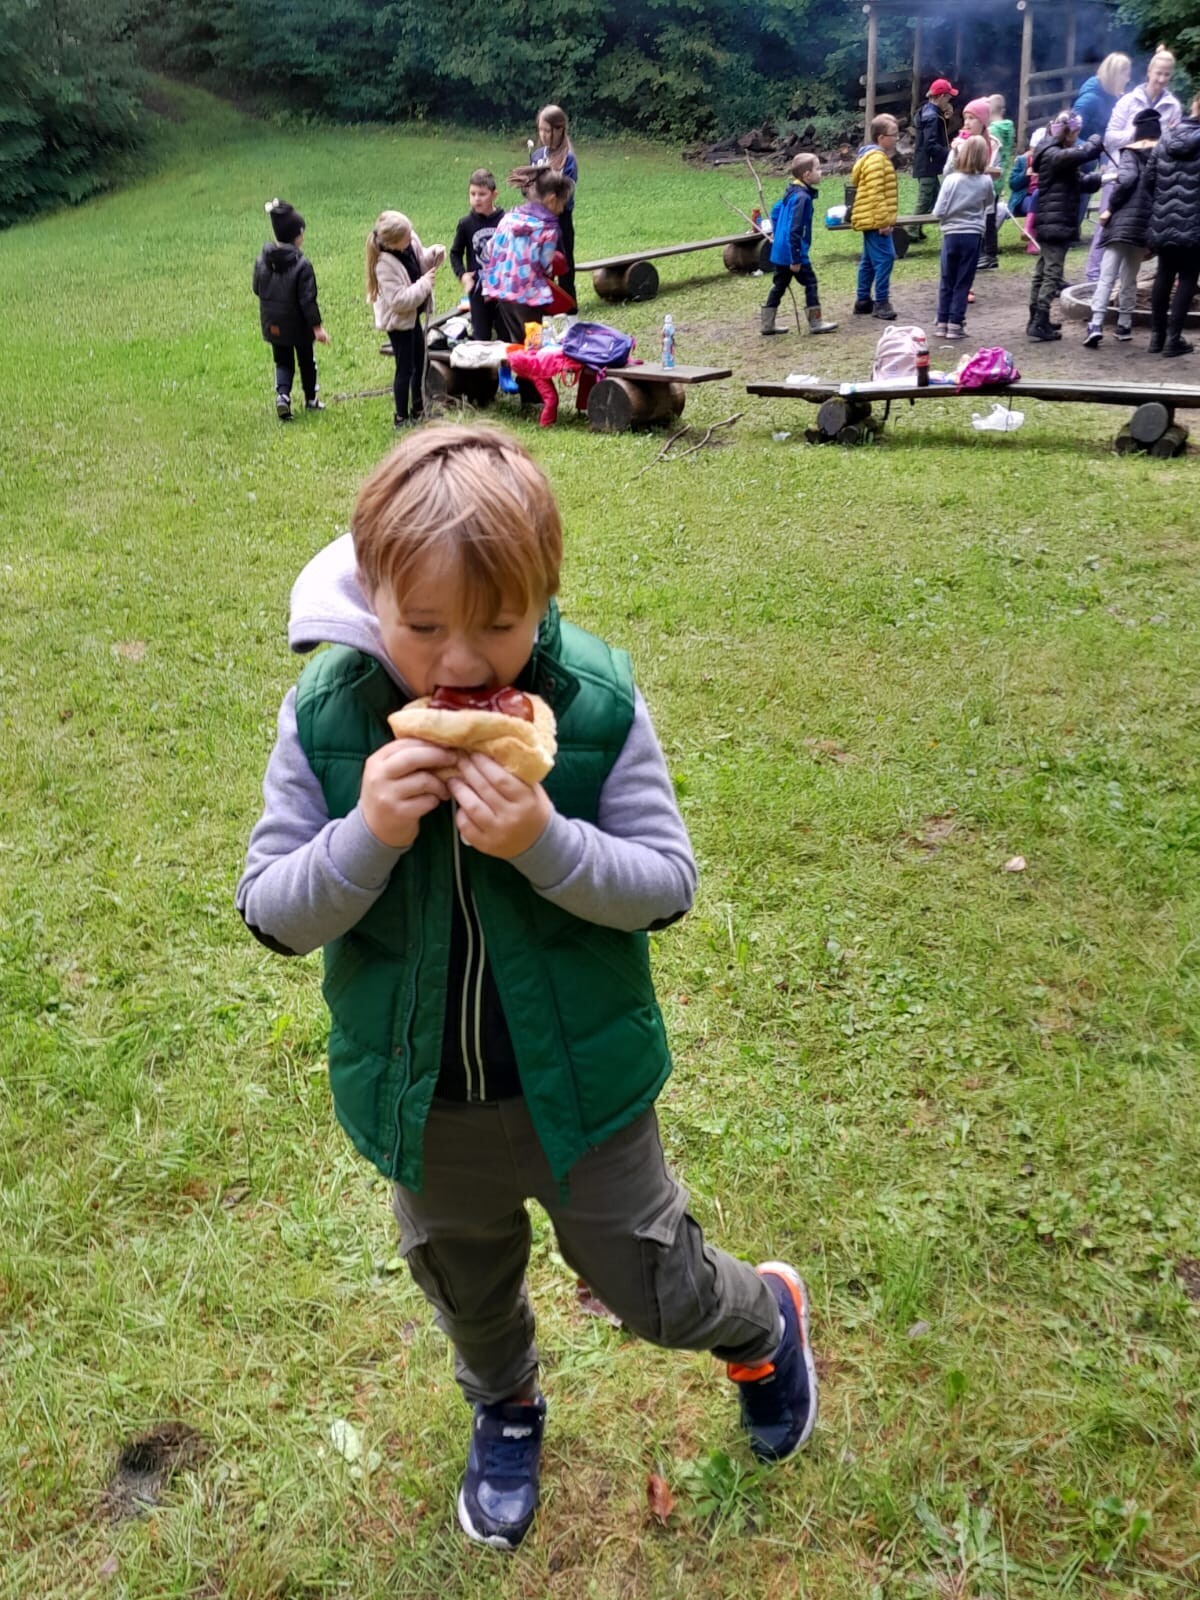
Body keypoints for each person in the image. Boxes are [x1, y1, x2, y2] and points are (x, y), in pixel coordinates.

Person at [235, 424, 820, 1553]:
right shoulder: (326, 714)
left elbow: (666, 885)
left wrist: (546, 841)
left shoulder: (591, 703)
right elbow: (271, 912)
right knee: (466, 1284)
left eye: (498, 625)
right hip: (424, 1102)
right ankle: (505, 1407)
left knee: (654, 1284)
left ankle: (765, 1324)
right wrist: (367, 833)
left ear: (543, 597)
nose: (460, 664)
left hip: (582, 1094)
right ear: (371, 593)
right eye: (422, 627)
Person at [1086, 49, 1182, 280]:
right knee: (1107, 225)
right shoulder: (1128, 101)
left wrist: (1165, 138)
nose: (1161, 79)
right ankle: (1093, 277)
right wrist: (1138, 133)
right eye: (1158, 73)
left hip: (1152, 178)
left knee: (1139, 230)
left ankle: (1123, 282)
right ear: (1149, 71)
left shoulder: (1173, 106)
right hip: (1121, 172)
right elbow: (1110, 138)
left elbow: (1174, 146)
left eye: (1166, 74)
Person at [1083, 107, 1160, 348]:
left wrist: (1110, 209)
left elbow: (1126, 181)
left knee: (1107, 275)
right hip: (1143, 225)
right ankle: (1124, 324)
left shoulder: (1129, 152)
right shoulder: (1162, 155)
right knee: (1130, 277)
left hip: (1121, 223)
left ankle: (1096, 323)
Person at [365, 211, 445, 430]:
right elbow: (399, 301)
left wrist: (433, 254)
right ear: (392, 243)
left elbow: (420, 259)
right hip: (399, 323)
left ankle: (418, 408)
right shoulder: (384, 265)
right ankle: (401, 417)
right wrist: (424, 284)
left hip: (412, 317)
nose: (412, 238)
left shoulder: (409, 240)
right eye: (407, 238)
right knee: (405, 368)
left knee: (420, 360)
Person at [252, 199, 330, 422]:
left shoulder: (262, 260)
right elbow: (308, 300)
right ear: (297, 236)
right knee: (306, 361)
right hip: (299, 327)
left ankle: (283, 397)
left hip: (274, 324)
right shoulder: (302, 265)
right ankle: (311, 399)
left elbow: (256, 288)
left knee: (283, 361)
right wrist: (317, 328)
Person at [1027, 111, 1103, 341]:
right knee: (1052, 273)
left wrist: (1103, 178)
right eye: (1077, 132)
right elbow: (1084, 153)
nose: (1078, 137)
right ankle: (1039, 322)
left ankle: (1035, 318)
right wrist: (1096, 140)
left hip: (1052, 220)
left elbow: (1078, 182)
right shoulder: (1054, 154)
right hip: (1055, 222)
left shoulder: (1052, 152)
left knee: (1042, 271)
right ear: (1069, 132)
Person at [480, 168, 575, 344]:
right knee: (533, 343)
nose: (562, 209)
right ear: (552, 199)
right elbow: (546, 264)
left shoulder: (508, 218)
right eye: (562, 203)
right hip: (527, 295)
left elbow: (489, 248)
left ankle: (517, 361)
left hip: (502, 290)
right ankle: (532, 361)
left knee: (517, 340)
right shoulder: (547, 228)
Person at [1146, 93, 1200, 357]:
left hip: (1163, 218)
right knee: (1188, 276)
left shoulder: (1166, 137)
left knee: (1164, 273)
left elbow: (1149, 178)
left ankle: (1156, 338)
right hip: (1194, 222)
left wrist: (1162, 203)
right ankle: (1173, 340)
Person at [760, 153, 838, 336]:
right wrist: (795, 258)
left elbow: (775, 212)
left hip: (781, 251)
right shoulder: (803, 197)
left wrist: (778, 235)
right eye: (818, 169)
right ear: (806, 175)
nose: (821, 172)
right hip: (793, 253)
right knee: (810, 282)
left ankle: (767, 324)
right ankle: (816, 322)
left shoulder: (791, 191)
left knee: (779, 286)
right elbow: (795, 229)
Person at [932, 135, 994, 339]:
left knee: (946, 279)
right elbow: (989, 205)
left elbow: (938, 211)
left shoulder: (951, 180)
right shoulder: (986, 181)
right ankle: (955, 324)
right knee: (963, 281)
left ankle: (942, 322)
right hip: (972, 236)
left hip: (951, 235)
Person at [1072, 52, 1133, 225]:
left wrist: (1104, 159)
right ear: (1114, 74)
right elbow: (1069, 131)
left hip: (1089, 161)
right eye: (1125, 75)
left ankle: (1074, 232)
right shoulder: (1090, 99)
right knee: (1071, 206)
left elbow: (1103, 132)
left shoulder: (1113, 98)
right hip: (1076, 161)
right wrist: (1092, 151)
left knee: (1082, 204)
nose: (1128, 79)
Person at [850, 114, 900, 320]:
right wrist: (883, 222)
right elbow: (876, 193)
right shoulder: (877, 160)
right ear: (881, 138)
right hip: (875, 219)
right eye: (893, 135)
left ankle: (863, 301)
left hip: (870, 217)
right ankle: (881, 302)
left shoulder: (873, 158)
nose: (896, 138)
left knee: (869, 261)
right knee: (886, 258)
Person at [947, 98, 1002, 269]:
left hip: (984, 190)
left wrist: (986, 170)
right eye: (965, 118)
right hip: (963, 192)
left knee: (988, 219)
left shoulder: (992, 143)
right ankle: (970, 255)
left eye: (972, 118)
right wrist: (955, 153)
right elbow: (947, 171)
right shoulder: (959, 143)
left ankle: (989, 254)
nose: (967, 123)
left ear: (983, 121)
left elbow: (996, 168)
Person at [450, 170, 505, 341]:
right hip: (478, 291)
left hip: (503, 289)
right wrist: (463, 275)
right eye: (472, 194)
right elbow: (455, 253)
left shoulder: (505, 221)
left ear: (494, 195)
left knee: (505, 336)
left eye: (482, 194)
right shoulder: (466, 224)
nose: (477, 199)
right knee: (481, 337)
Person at [531, 105, 578, 302]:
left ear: (560, 130)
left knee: (564, 266)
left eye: (547, 130)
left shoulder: (568, 159)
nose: (543, 135)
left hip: (560, 220)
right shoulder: (536, 156)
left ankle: (570, 310)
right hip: (539, 221)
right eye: (540, 130)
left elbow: (566, 192)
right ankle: (546, 308)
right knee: (542, 266)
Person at [911, 78, 957, 240]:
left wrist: (946, 118)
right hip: (927, 165)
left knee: (936, 197)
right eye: (948, 97)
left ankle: (916, 229)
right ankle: (910, 230)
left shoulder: (928, 111)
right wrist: (949, 153)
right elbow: (930, 144)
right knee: (925, 199)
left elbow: (937, 133)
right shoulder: (932, 117)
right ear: (942, 96)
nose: (949, 101)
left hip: (926, 164)